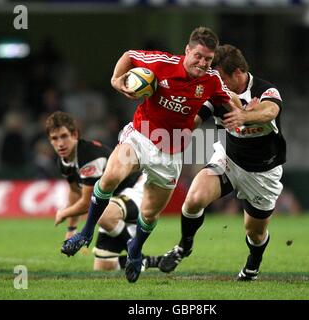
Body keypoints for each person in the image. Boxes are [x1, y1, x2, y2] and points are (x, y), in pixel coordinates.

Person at [60, 27, 243, 283]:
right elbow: (129, 55)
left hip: (172, 150)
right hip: (141, 135)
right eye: (198, 56)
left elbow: (229, 100)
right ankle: (86, 232)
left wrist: (243, 114)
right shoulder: (161, 63)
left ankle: (135, 250)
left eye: (208, 59)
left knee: (149, 214)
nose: (202, 63)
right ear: (187, 51)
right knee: (111, 176)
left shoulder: (211, 81)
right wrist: (116, 80)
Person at [158, 44, 287, 281]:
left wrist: (245, 115)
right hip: (228, 159)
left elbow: (270, 112)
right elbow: (194, 120)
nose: (218, 82)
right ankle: (183, 247)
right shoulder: (216, 92)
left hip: (262, 172)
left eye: (222, 77)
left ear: (237, 73)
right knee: (194, 198)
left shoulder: (265, 90)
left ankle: (253, 264)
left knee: (255, 232)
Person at [46, 111, 161, 271]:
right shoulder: (64, 162)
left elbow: (87, 203)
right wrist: (71, 229)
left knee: (103, 215)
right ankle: (152, 262)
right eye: (54, 138)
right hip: (115, 201)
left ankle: (136, 256)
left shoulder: (88, 156)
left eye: (64, 136)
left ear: (75, 134)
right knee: (103, 266)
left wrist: (63, 213)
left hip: (136, 190)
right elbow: (75, 193)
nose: (60, 143)